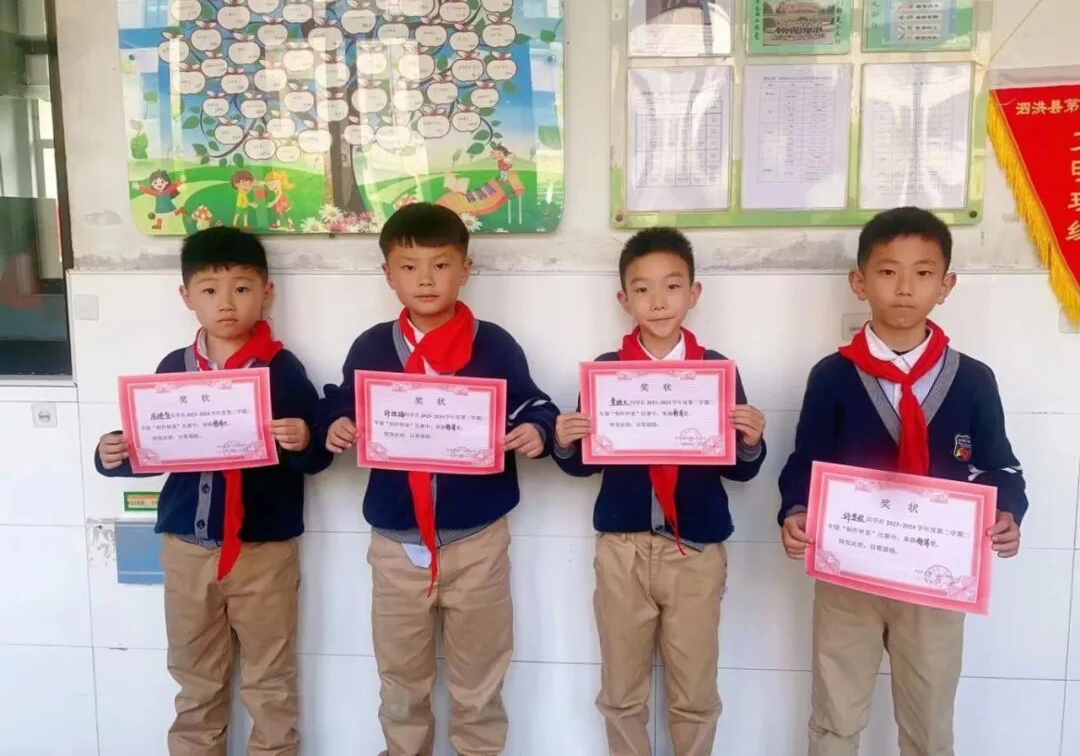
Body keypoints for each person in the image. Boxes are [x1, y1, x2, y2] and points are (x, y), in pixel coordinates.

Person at [777, 207, 1027, 756]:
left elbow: (1000, 466)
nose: (905, 287)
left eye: (923, 272)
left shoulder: (973, 379)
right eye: (888, 272)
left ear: (946, 285)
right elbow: (806, 461)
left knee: (929, 722)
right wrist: (795, 511)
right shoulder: (832, 376)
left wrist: (1008, 511)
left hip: (936, 580)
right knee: (835, 718)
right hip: (848, 574)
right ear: (860, 281)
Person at [317, 202, 559, 756]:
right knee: (401, 684)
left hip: (477, 542)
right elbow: (342, 401)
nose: (425, 279)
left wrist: (538, 431)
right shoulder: (372, 346)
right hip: (396, 545)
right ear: (388, 274)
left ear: (466, 269)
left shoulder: (494, 344)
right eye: (409, 267)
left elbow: (533, 404)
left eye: (441, 265)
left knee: (480, 681)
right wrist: (336, 424)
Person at [94, 226, 332, 756]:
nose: (226, 303)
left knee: (270, 680)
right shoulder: (173, 368)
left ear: (266, 291)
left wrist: (304, 439)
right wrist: (113, 454)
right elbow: (154, 446)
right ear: (186, 297)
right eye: (209, 290)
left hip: (263, 553)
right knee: (195, 678)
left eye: (242, 288)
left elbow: (316, 456)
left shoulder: (283, 369)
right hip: (187, 550)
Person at [554, 227, 767, 756]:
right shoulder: (606, 372)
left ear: (694, 293)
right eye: (642, 289)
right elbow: (583, 467)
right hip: (622, 550)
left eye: (672, 287)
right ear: (623, 299)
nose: (658, 301)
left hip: (694, 551)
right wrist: (564, 441)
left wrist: (750, 442)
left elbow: (740, 473)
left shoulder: (716, 371)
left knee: (694, 690)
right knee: (621, 690)